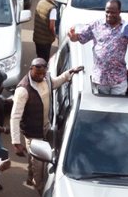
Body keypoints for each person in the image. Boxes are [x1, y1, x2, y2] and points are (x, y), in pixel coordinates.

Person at [10, 57, 82, 189]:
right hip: (32, 134)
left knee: (35, 159)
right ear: (31, 69)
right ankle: (39, 187)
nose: (40, 76)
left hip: (46, 127)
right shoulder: (23, 90)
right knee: (39, 164)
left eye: (43, 73)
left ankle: (31, 177)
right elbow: (15, 117)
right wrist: (16, 142)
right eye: (37, 74)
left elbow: (54, 83)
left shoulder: (46, 78)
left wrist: (68, 74)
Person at [68, 0, 128, 95]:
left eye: (113, 12)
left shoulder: (126, 28)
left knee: (116, 108)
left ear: (119, 12)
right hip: (101, 80)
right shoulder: (96, 25)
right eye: (107, 11)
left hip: (119, 80)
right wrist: (73, 37)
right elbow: (79, 37)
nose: (109, 14)